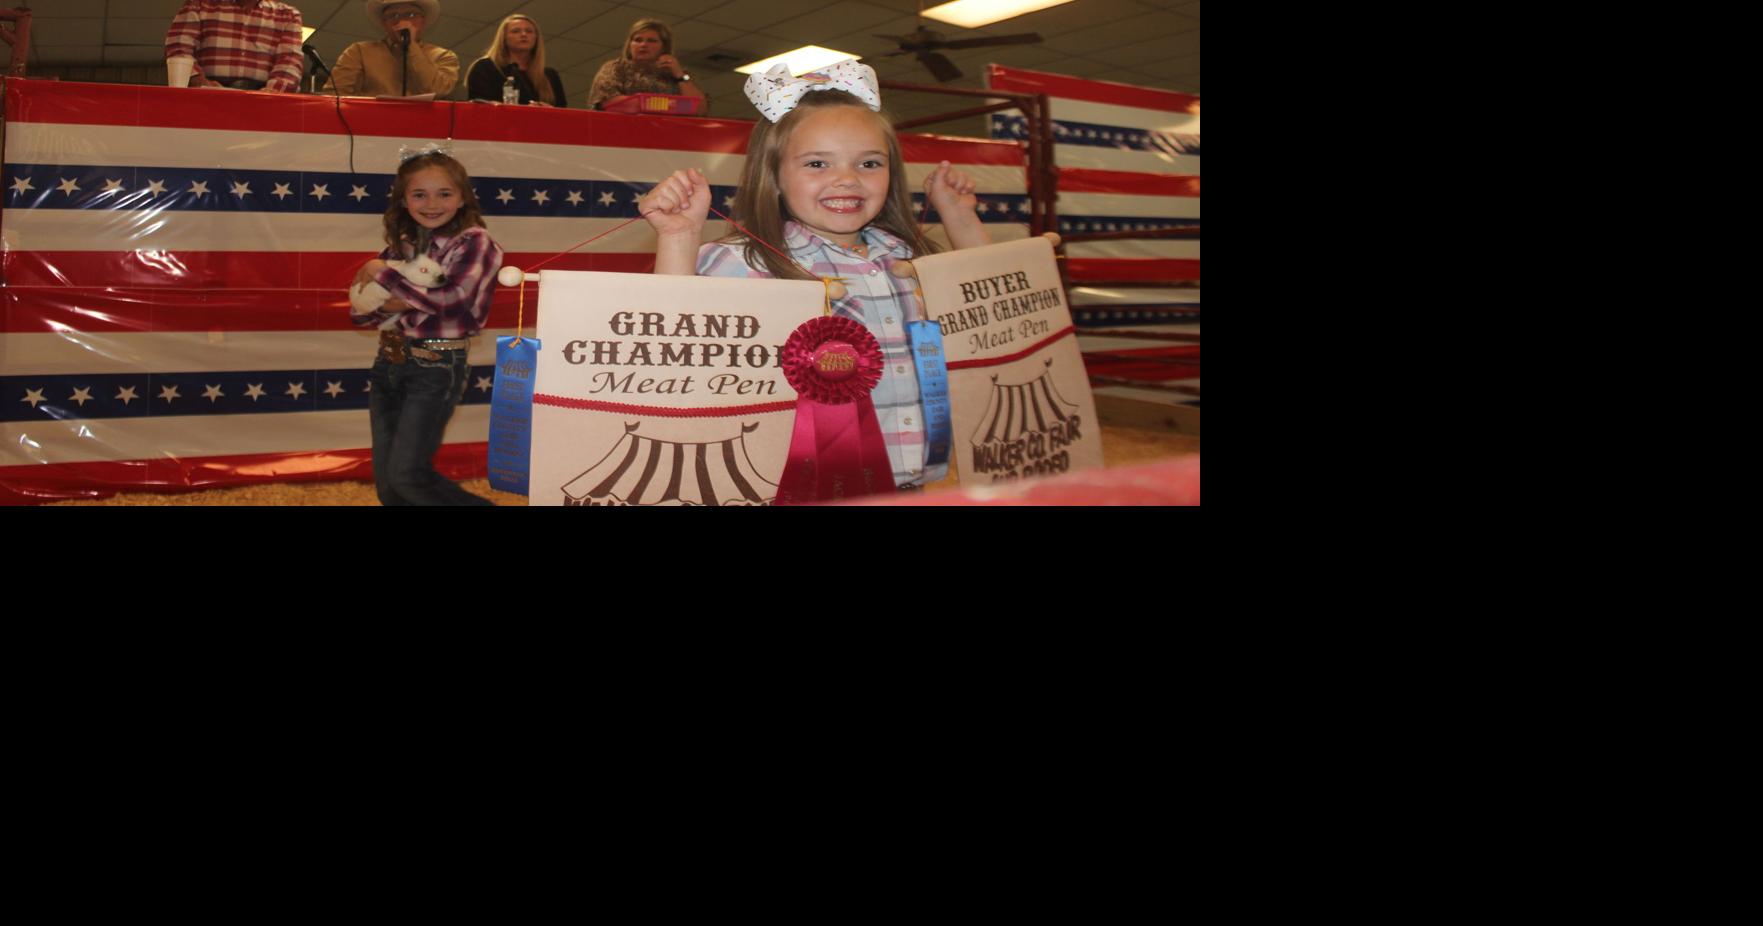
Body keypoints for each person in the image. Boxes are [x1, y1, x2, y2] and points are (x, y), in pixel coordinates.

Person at [638, 61, 990, 491]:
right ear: (775, 176)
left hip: (909, 482)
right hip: (794, 487)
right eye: (818, 164)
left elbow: (991, 313)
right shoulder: (744, 261)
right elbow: (668, 346)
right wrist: (680, 236)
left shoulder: (907, 258)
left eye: (869, 163)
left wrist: (960, 219)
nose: (847, 180)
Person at [350, 148, 502, 506]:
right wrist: (407, 296)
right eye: (419, 194)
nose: (431, 203)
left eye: (444, 193)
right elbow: (359, 311)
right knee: (389, 485)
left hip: (436, 364)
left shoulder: (475, 242)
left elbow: (451, 302)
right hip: (389, 363)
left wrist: (383, 276)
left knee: (408, 476)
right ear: (403, 201)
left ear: (462, 197)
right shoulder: (401, 247)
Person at [163, 0, 304, 92]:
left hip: (262, 105)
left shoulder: (287, 16)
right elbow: (178, 48)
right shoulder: (199, 5)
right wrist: (199, 82)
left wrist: (270, 94)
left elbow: (290, 63)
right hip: (205, 99)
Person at [324, 1, 458, 98]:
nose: (401, 21)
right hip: (368, 130)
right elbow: (333, 95)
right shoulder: (359, 51)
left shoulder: (444, 56)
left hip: (422, 132)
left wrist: (411, 45)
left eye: (410, 15)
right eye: (392, 16)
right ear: (384, 23)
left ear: (423, 21)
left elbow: (438, 90)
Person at [587, 18, 705, 110]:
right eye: (638, 40)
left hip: (670, 134)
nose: (643, 45)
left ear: (664, 47)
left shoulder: (679, 74)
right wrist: (668, 106)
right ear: (629, 44)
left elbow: (699, 109)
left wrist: (680, 76)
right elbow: (607, 102)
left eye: (651, 41)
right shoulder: (615, 68)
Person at [466, 14, 565, 106]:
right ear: (503, 38)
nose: (524, 34)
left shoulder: (550, 76)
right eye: (516, 31)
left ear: (536, 38)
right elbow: (479, 105)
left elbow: (565, 114)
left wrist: (548, 110)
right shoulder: (485, 68)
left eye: (529, 31)